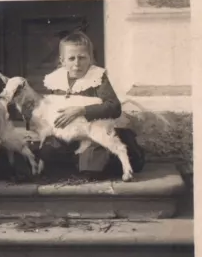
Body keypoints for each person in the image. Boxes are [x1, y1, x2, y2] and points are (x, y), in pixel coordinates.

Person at [40, 31, 145, 178]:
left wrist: (81, 110)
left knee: (91, 169)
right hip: (68, 133)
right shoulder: (55, 79)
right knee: (47, 154)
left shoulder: (97, 78)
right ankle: (76, 162)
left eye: (82, 58)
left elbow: (114, 107)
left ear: (90, 58)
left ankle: (123, 150)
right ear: (62, 61)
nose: (77, 63)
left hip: (92, 131)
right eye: (71, 58)